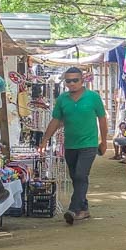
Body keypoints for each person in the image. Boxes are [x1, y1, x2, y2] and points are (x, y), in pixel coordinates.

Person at [38, 67, 108, 225]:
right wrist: (44, 140)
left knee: (81, 175)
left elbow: (102, 120)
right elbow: (55, 121)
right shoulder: (62, 99)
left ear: (82, 80)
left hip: (89, 144)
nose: (72, 83)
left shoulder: (93, 97)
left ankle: (73, 209)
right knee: (75, 177)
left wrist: (103, 142)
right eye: (68, 81)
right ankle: (84, 209)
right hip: (70, 145)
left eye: (75, 80)